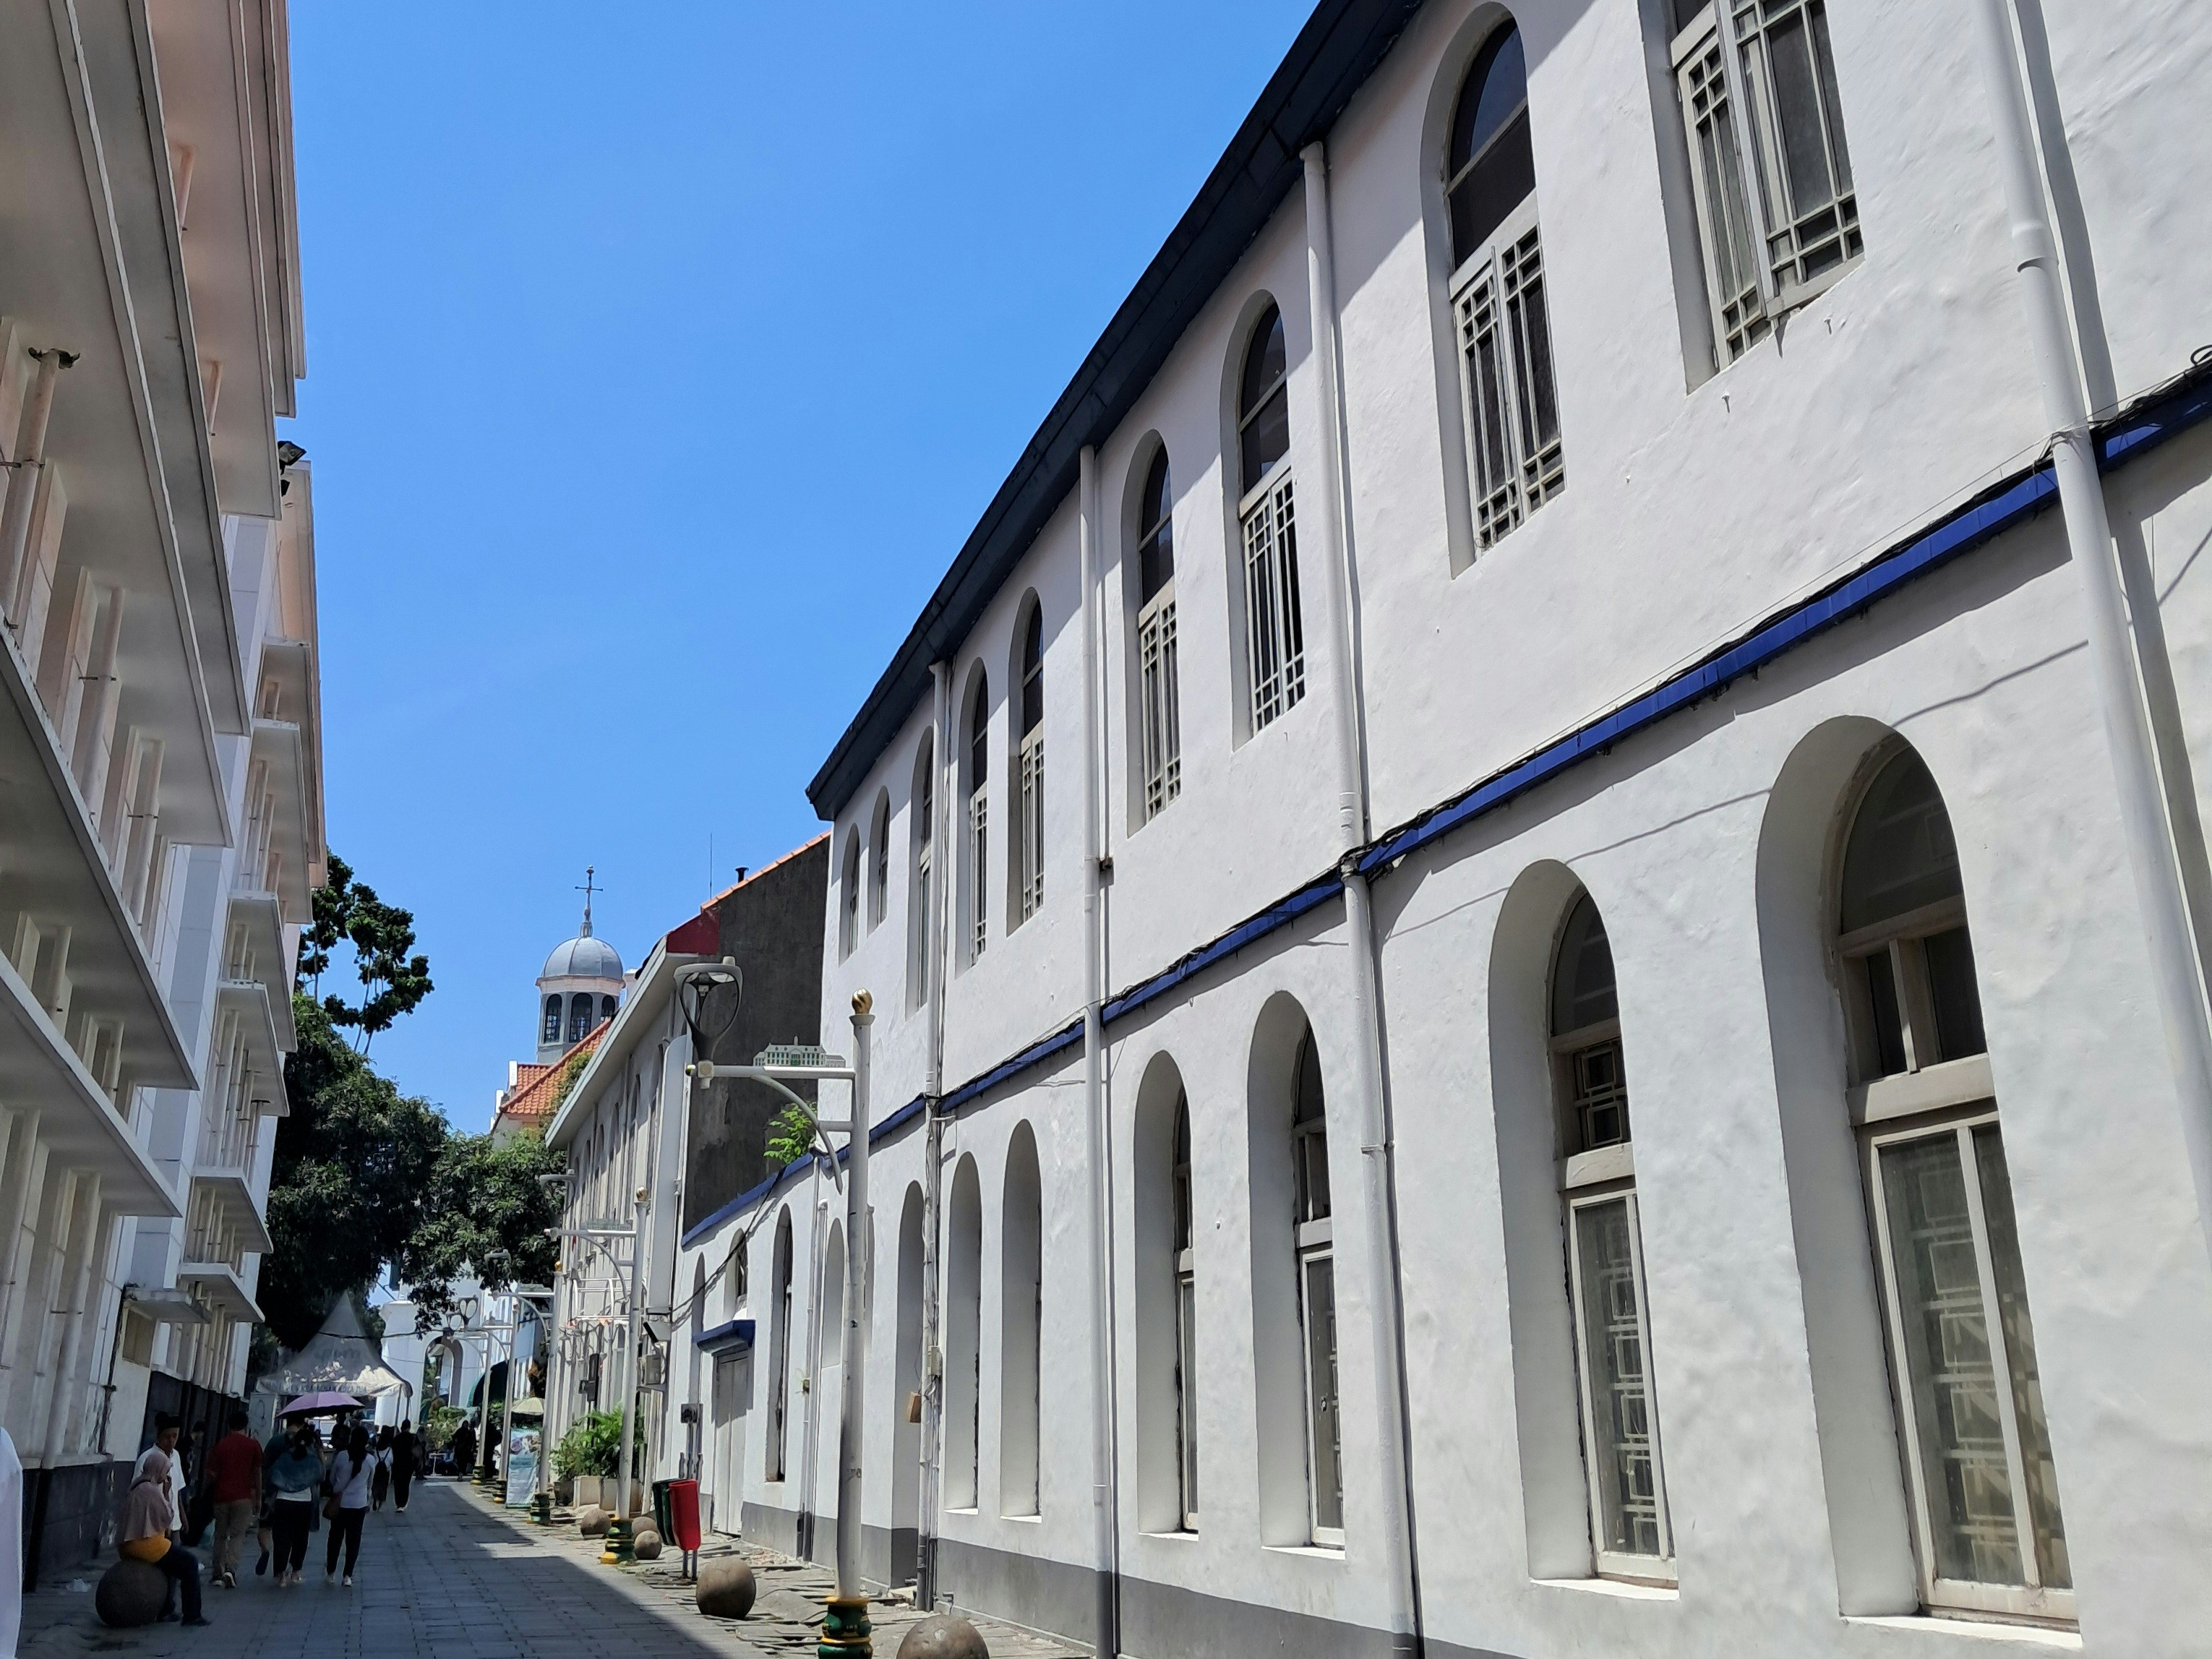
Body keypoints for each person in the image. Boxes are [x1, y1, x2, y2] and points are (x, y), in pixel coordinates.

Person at [118, 1451, 210, 1627]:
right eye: (165, 1471)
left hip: (128, 1545)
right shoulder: (151, 1490)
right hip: (146, 1545)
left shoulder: (137, 1486)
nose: (166, 1476)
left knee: (169, 1566)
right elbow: (167, 1518)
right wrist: (166, 1494)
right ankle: (192, 1614)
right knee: (190, 1564)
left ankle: (166, 1609)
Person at [133, 1418, 187, 1619]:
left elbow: (177, 1490)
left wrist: (183, 1517)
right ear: (159, 1436)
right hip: (154, 1526)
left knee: (173, 1571)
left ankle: (167, 1607)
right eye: (167, 1436)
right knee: (156, 1568)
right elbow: (137, 1492)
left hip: (174, 1523)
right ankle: (153, 1605)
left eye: (175, 1436)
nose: (171, 1441)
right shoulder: (147, 1458)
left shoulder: (176, 1457)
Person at [202, 1410, 260, 1589]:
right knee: (237, 1535)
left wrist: (220, 1480)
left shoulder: (221, 1445)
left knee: (220, 1535)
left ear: (229, 1425)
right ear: (246, 1425)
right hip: (243, 1497)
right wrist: (258, 1497)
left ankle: (217, 1573)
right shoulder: (253, 1446)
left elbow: (210, 1471)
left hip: (221, 1497)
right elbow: (257, 1473)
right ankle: (230, 1569)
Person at [264, 1423, 323, 1587]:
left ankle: (281, 1574)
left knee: (281, 1538)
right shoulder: (313, 1460)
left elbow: (272, 1476)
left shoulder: (285, 1457)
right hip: (304, 1502)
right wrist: (320, 1454)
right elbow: (321, 1477)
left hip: (283, 1501)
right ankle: (296, 1572)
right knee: (301, 1538)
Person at [323, 1424, 372, 1587]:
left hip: (340, 1504)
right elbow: (369, 1485)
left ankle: (331, 1572)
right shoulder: (370, 1460)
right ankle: (347, 1575)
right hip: (359, 1505)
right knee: (354, 1541)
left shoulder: (342, 1456)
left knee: (335, 1539)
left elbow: (332, 1479)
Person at [390, 1420, 416, 1512]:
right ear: (409, 1427)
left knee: (398, 1484)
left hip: (397, 1463)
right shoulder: (412, 1438)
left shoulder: (397, 1438)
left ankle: (398, 1503)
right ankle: (403, 1504)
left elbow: (393, 1450)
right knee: (406, 1484)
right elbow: (416, 1451)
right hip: (409, 1464)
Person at [369, 1428, 391, 1512]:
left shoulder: (376, 1450)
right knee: (383, 1488)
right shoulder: (389, 1450)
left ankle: (375, 1500)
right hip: (385, 1471)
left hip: (376, 1471)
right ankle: (380, 1506)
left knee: (375, 1486)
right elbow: (391, 1460)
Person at [450, 1418, 476, 1483]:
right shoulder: (460, 1431)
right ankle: (460, 1474)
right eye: (465, 1424)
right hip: (460, 1449)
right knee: (460, 1462)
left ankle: (461, 1474)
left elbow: (471, 1441)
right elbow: (454, 1437)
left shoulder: (468, 1432)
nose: (465, 1425)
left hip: (465, 1450)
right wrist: (455, 1444)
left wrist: (470, 1448)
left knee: (464, 1462)